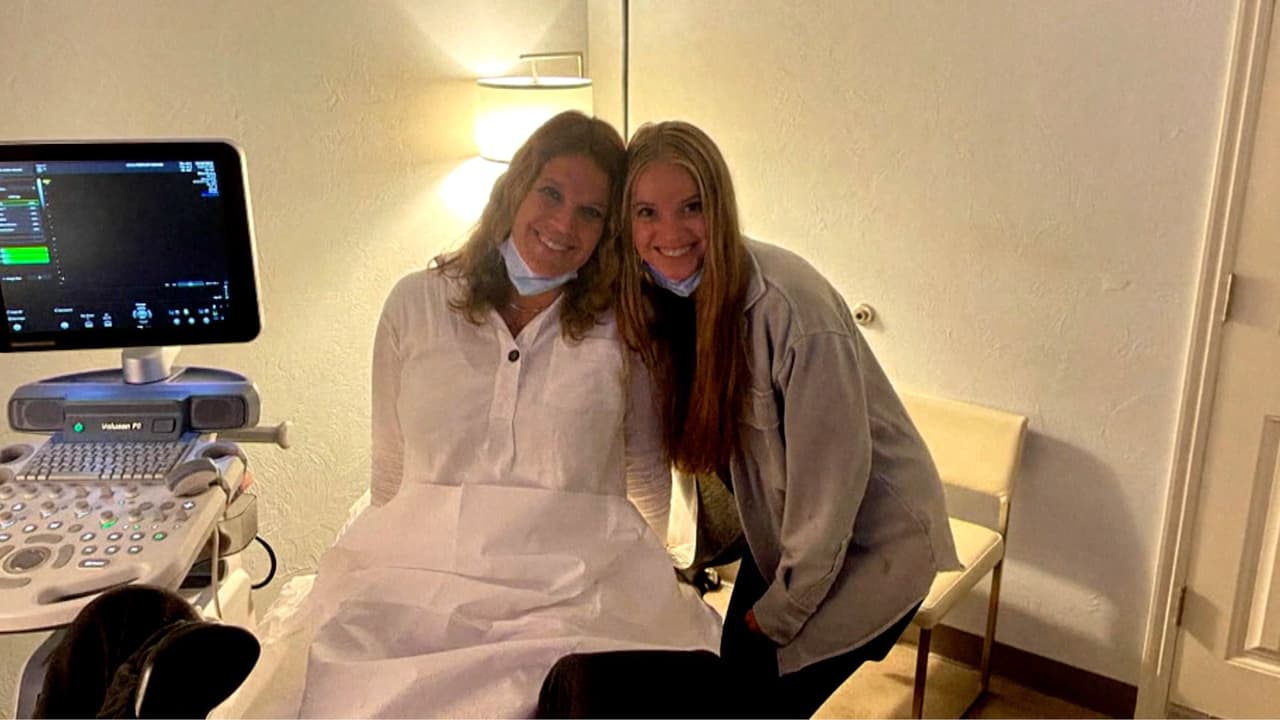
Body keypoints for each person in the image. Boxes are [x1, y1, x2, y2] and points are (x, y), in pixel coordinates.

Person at [294, 111, 722, 718]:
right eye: (550, 193)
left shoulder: (627, 326)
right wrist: (378, 574)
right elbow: (388, 471)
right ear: (514, 188)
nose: (563, 224)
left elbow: (646, 474)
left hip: (573, 586)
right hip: (424, 573)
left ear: (609, 231)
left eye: (590, 212)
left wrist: (654, 583)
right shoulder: (416, 303)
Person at [614, 120, 962, 718]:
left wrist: (780, 611)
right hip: (781, 528)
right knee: (729, 682)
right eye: (647, 212)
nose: (669, 234)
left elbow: (831, 492)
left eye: (691, 207)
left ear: (720, 206)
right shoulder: (656, 298)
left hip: (869, 541)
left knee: (758, 697)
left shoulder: (791, 310)